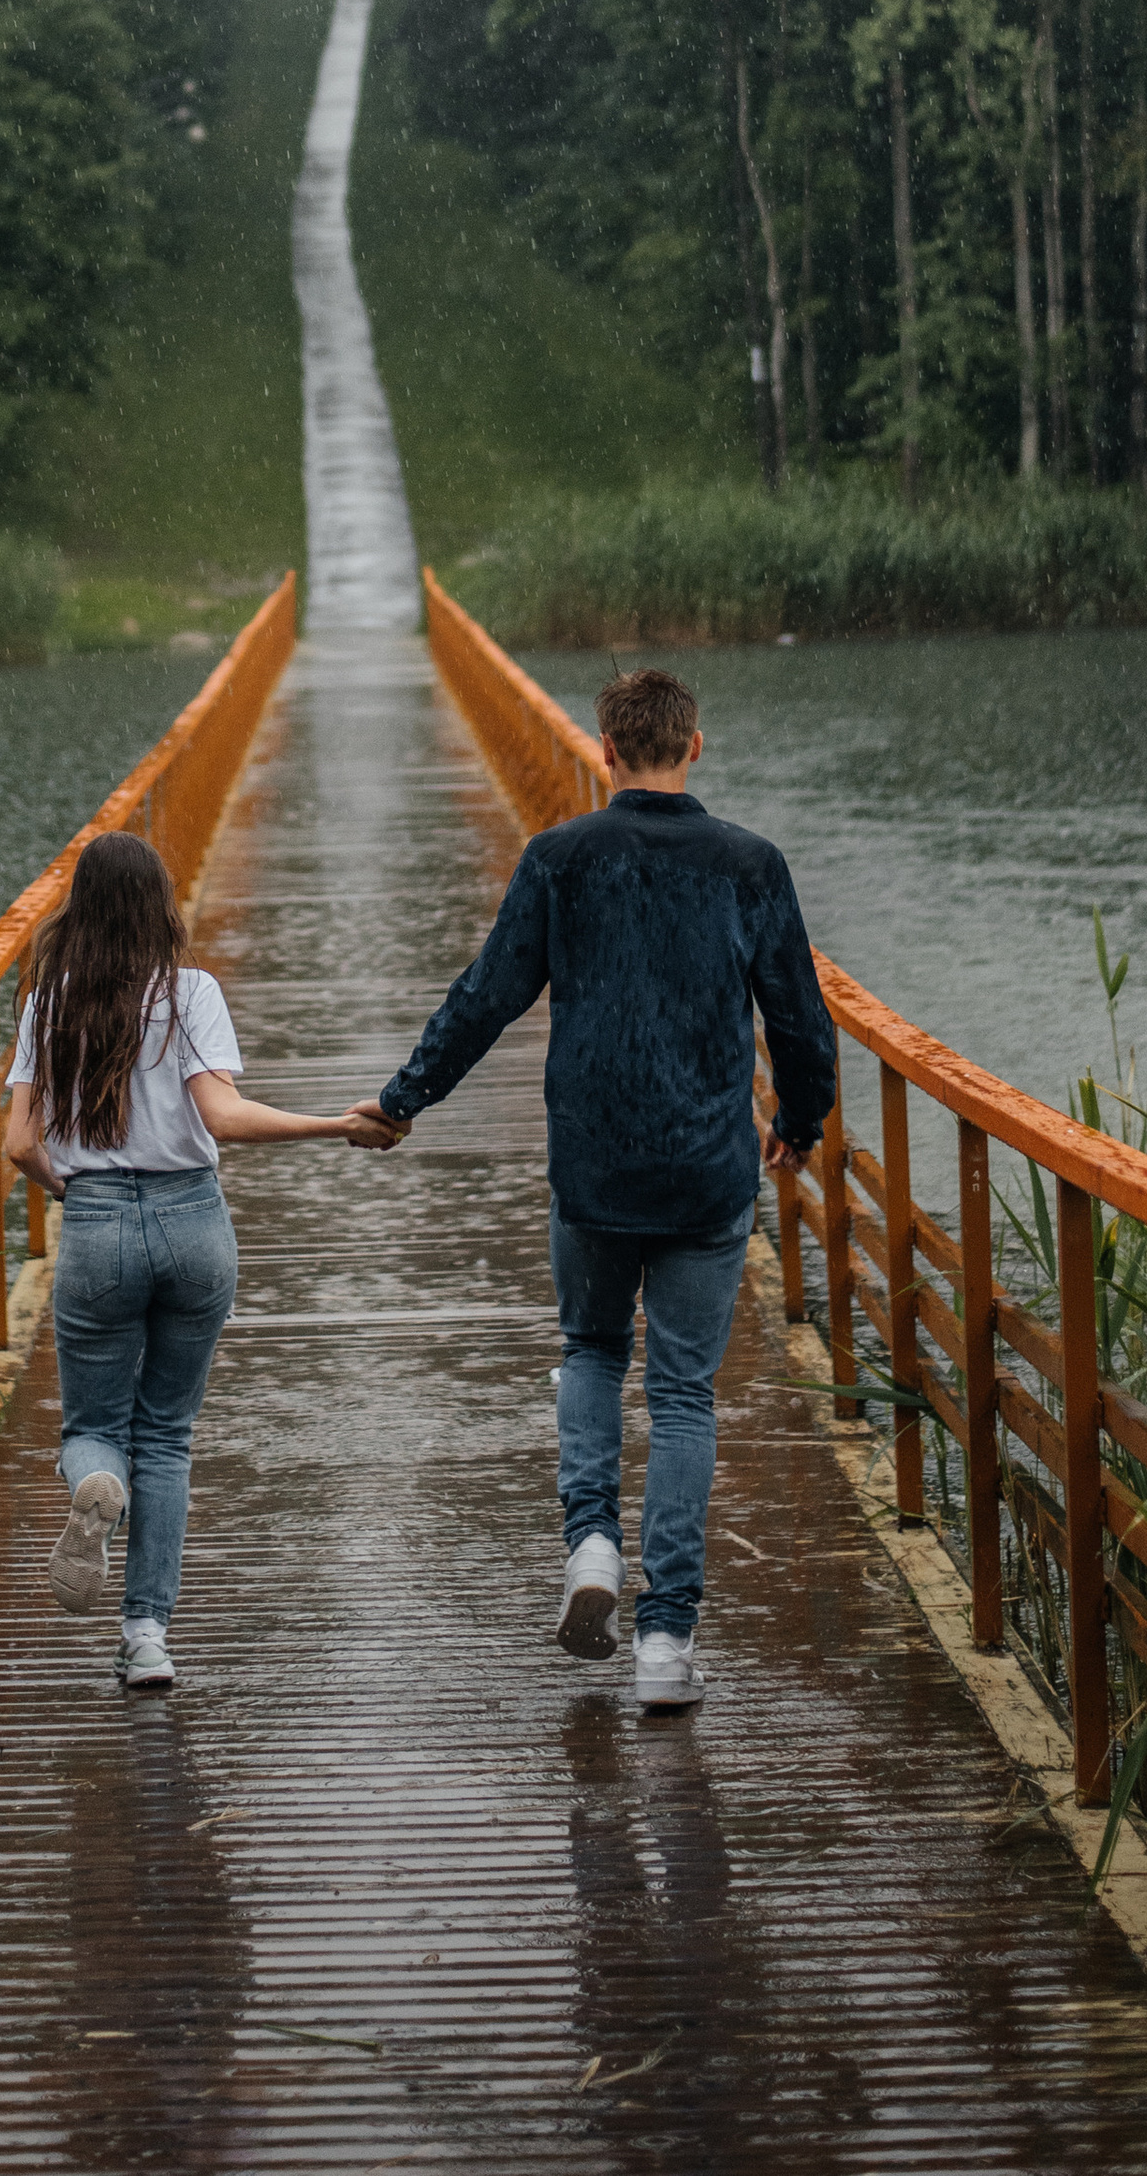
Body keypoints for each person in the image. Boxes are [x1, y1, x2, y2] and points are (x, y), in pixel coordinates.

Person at [353, 666, 836, 1714]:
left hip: (593, 1169)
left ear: (603, 751)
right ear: (694, 747)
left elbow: (486, 995)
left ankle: (589, 1549)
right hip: (707, 1172)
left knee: (588, 1350)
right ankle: (665, 1644)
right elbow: (798, 1017)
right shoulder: (750, 865)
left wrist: (404, 1099)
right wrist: (799, 1122)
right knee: (680, 1394)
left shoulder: (559, 860)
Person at [6, 828, 398, 1688]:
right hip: (193, 1223)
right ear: (159, 908)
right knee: (169, 1437)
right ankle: (147, 1637)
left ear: (82, 907)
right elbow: (222, 1119)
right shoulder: (190, 994)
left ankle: (95, 1491)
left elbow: (17, 1142)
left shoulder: (48, 1004)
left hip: (99, 1223)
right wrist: (336, 1125)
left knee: (93, 1429)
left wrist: (71, 1188)